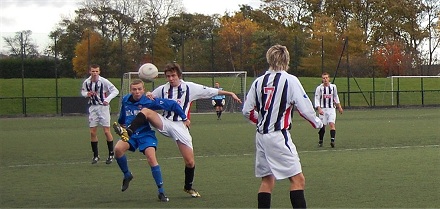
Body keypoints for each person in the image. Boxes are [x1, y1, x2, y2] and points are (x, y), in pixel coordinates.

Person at [115, 62, 242, 198]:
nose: (171, 79)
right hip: (164, 122)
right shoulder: (162, 89)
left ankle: (188, 187)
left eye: (173, 75)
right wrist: (148, 93)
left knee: (190, 162)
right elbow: (148, 96)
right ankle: (128, 132)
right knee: (146, 111)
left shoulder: (190, 87)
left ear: (179, 75)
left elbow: (212, 91)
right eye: (168, 76)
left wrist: (230, 93)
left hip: (180, 126)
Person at [242, 44, 323, 209]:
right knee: (298, 180)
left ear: (269, 59)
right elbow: (305, 109)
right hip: (278, 136)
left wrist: (263, 121)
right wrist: (318, 123)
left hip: (261, 137)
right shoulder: (290, 80)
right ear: (286, 60)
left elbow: (246, 110)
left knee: (267, 180)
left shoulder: (258, 82)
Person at [113, 79, 190, 202]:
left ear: (143, 90)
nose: (137, 92)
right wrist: (121, 126)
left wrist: (184, 117)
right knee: (117, 150)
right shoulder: (126, 100)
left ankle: (161, 192)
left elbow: (173, 105)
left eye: (139, 89)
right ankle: (127, 174)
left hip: (145, 134)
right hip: (130, 135)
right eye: (134, 89)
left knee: (151, 158)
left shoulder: (149, 101)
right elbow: (123, 117)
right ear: (131, 90)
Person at [81, 64, 119, 164]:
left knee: (107, 131)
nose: (95, 73)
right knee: (92, 132)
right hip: (93, 108)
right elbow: (83, 92)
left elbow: (115, 91)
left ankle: (111, 154)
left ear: (99, 71)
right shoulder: (87, 82)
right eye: (93, 71)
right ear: (90, 72)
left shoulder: (104, 81)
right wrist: (87, 94)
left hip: (103, 108)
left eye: (96, 71)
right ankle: (96, 155)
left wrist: (107, 99)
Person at [314, 72, 343, 148]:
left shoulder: (333, 87)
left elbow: (336, 97)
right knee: (322, 126)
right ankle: (321, 140)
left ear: (329, 78)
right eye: (324, 78)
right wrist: (319, 109)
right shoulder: (319, 88)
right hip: (323, 109)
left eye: (326, 78)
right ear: (322, 79)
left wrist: (339, 107)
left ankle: (332, 141)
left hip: (331, 109)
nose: (325, 79)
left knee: (332, 124)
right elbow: (316, 99)